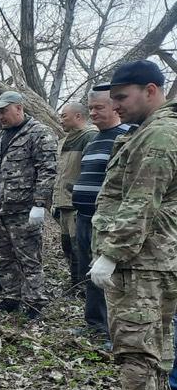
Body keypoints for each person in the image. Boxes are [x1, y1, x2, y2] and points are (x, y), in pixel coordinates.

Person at [88, 60, 177, 390]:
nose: (117, 105)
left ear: (151, 91)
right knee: (155, 340)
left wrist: (111, 254)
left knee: (135, 342)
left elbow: (140, 203)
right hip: (152, 257)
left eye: (122, 97)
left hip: (142, 259)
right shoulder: (146, 132)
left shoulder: (158, 136)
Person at [0, 91, 57, 319]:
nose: (0, 116)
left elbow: (47, 171)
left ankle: (35, 302)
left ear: (19, 108)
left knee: (29, 258)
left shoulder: (38, 133)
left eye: (4, 111)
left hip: (24, 211)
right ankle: (12, 298)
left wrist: (40, 203)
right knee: (3, 257)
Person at [71, 89, 129, 339]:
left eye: (98, 108)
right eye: (90, 108)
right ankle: (94, 324)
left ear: (114, 107)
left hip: (109, 221)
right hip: (85, 218)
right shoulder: (93, 139)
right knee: (90, 273)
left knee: (110, 278)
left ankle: (111, 331)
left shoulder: (126, 137)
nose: (92, 113)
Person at [54, 102, 98, 293]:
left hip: (78, 205)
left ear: (78, 116)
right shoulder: (63, 141)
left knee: (81, 248)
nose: (61, 120)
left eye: (64, 116)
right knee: (68, 247)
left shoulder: (90, 136)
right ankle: (74, 284)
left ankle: (84, 288)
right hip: (63, 203)